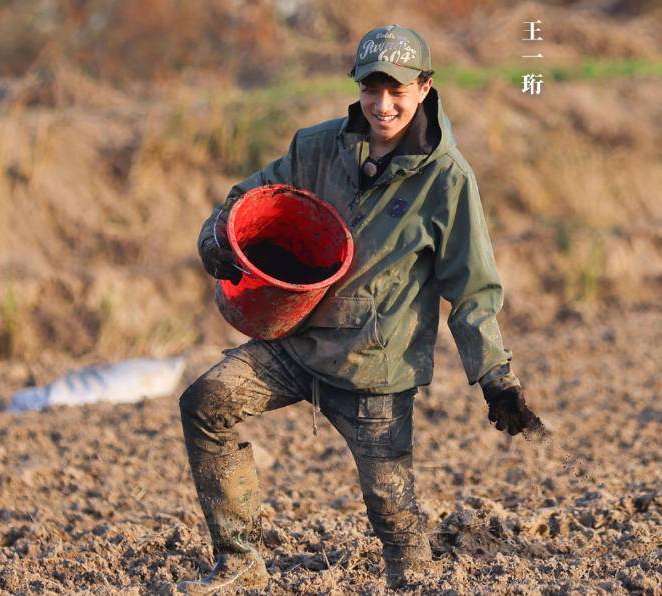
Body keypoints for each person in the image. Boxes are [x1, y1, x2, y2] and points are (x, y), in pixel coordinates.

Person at [178, 24, 545, 593]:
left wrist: (498, 379)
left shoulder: (447, 180)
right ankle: (240, 563)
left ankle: (416, 582)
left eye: (397, 90)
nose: (382, 104)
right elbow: (242, 202)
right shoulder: (317, 147)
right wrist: (214, 242)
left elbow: (471, 290)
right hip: (294, 343)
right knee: (206, 402)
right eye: (371, 89)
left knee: (393, 515)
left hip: (375, 369)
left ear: (424, 88)